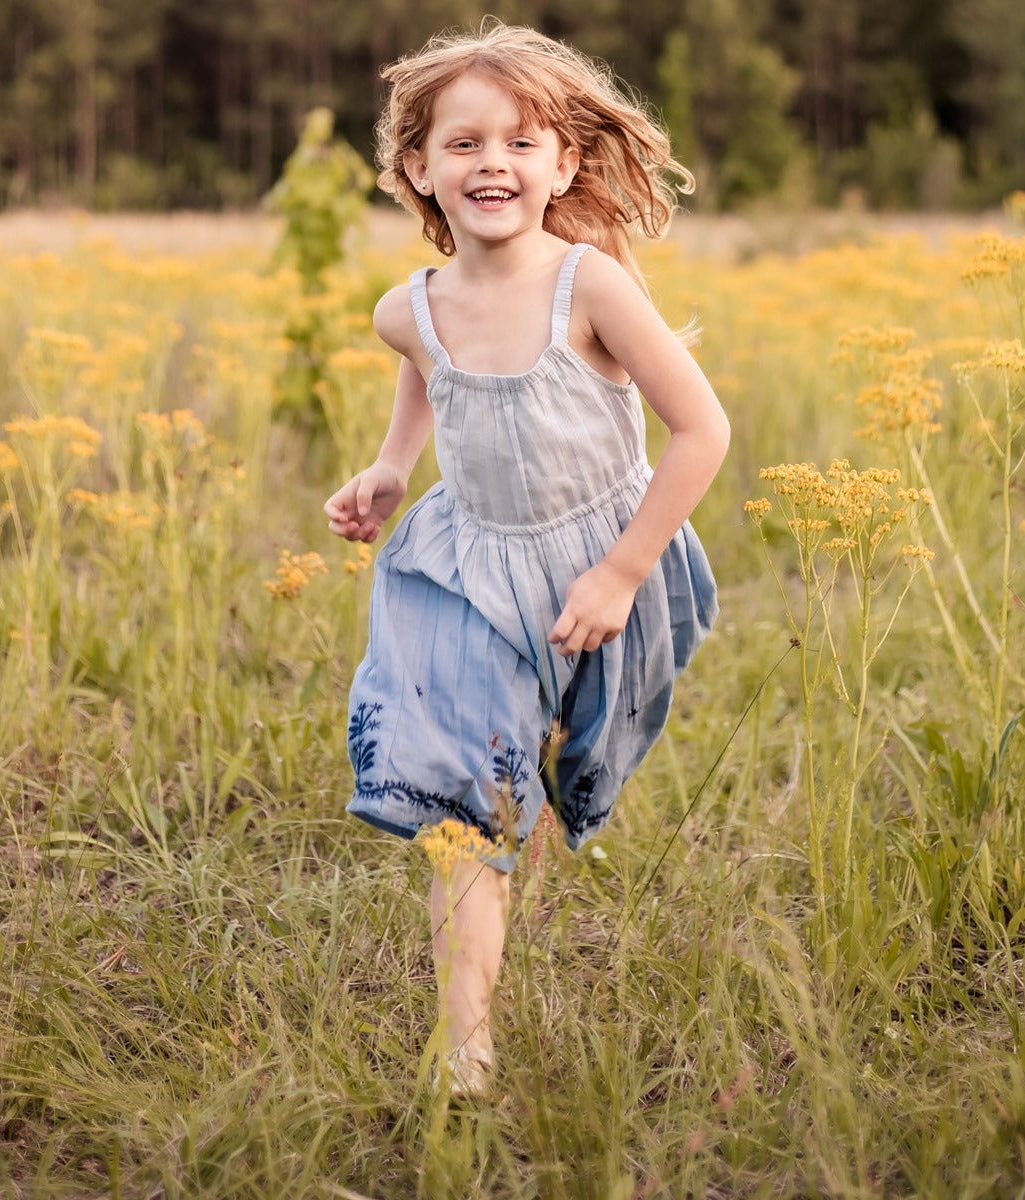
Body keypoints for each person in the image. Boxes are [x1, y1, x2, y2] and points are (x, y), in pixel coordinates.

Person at [324, 21, 729, 1097]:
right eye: (462, 145)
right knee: (465, 806)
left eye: (519, 142)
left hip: (606, 558)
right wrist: (390, 467)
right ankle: (467, 1047)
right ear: (416, 166)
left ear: (562, 164)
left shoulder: (589, 286)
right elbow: (426, 368)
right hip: (468, 572)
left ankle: (524, 823)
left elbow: (704, 432)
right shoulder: (404, 309)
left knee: (563, 763)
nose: (490, 163)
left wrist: (623, 573)